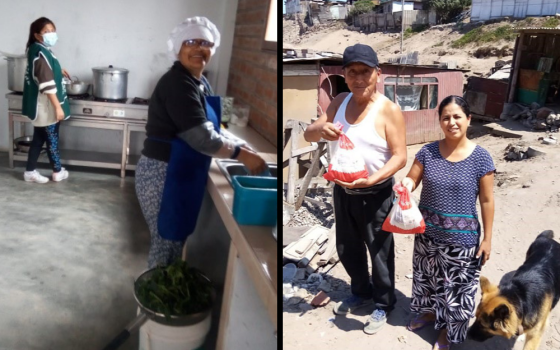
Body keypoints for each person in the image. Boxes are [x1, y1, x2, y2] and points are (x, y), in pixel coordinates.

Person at [135, 17, 267, 269]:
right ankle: (153, 304)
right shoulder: (178, 83)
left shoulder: (199, 82)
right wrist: (241, 154)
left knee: (172, 244)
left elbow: (213, 128)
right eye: (191, 41)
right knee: (165, 246)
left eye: (205, 42)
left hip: (180, 172)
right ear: (178, 48)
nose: (198, 48)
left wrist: (240, 145)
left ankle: (163, 298)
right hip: (162, 174)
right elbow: (201, 137)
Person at [304, 43, 407, 335]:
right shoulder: (339, 101)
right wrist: (320, 130)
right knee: (347, 247)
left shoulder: (389, 110)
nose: (359, 78)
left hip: (376, 193)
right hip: (343, 191)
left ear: (378, 73)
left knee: (380, 251)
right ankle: (360, 292)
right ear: (344, 75)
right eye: (352, 72)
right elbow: (308, 133)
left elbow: (401, 156)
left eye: (365, 72)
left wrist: (373, 181)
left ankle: (384, 303)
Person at [401, 96, 495, 350]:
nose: (451, 122)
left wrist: (486, 239)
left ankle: (447, 333)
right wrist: (406, 185)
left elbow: (487, 201)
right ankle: (431, 314)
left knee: (457, 291)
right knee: (429, 280)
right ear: (440, 121)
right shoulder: (427, 152)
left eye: (457, 116)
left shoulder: (481, 159)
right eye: (445, 117)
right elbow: (413, 177)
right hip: (427, 235)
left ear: (468, 119)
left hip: (462, 241)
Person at [22, 17, 71, 183]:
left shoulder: (40, 49)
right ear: (37, 35)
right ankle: (57, 171)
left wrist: (59, 70)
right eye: (46, 31)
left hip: (42, 106)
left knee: (38, 140)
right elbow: (46, 83)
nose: (51, 34)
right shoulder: (40, 52)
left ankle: (29, 172)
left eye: (52, 30)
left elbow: (47, 70)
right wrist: (58, 107)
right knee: (52, 140)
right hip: (47, 106)